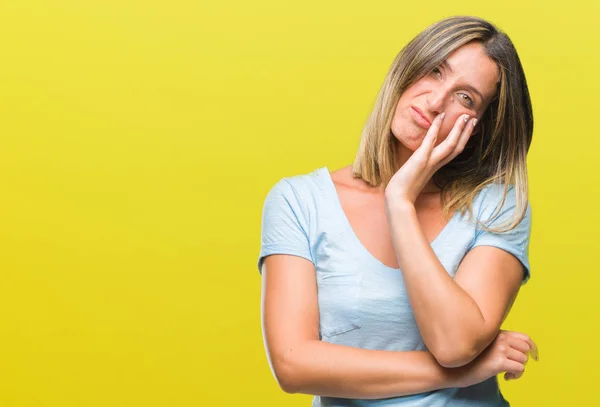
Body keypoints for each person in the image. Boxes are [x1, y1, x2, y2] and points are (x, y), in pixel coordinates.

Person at [256, 15, 539, 406]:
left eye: (465, 97)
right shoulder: (299, 201)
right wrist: (463, 372)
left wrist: (400, 202)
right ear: (407, 68)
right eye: (435, 70)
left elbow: (455, 343)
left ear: (478, 127)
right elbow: (293, 365)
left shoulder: (497, 206)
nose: (436, 101)